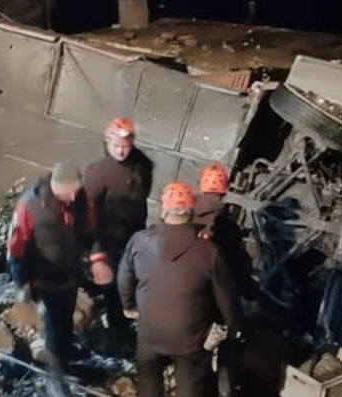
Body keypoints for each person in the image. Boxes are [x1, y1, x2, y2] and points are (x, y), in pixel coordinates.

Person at [118, 181, 240, 397]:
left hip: (150, 335)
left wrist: (129, 307)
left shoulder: (139, 241)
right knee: (192, 386)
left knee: (148, 383)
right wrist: (232, 326)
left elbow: (124, 277)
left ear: (163, 209)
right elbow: (226, 297)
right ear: (191, 211)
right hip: (190, 341)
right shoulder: (209, 251)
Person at [6, 161, 111, 372]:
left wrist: (98, 260)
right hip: (44, 278)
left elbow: (92, 232)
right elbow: (15, 247)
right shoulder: (31, 205)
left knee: (66, 318)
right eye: (67, 193)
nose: (72, 198)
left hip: (69, 275)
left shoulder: (81, 200)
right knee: (54, 325)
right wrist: (21, 282)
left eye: (76, 192)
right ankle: (55, 372)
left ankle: (64, 353)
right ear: (55, 187)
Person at [83, 116, 153, 344]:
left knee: (125, 282)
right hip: (105, 238)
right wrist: (96, 253)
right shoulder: (97, 172)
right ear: (107, 142)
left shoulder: (142, 165)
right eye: (116, 146)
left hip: (131, 235)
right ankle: (103, 327)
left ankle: (120, 327)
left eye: (126, 147)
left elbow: (142, 197)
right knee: (105, 283)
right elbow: (87, 215)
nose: (122, 152)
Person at [194, 162, 256, 300]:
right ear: (225, 190)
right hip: (207, 301)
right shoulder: (229, 229)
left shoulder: (180, 219)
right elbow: (239, 270)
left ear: (200, 186)